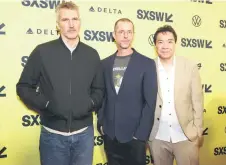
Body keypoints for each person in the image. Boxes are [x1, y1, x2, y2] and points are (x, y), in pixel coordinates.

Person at [16, 1, 104, 165]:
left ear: (80, 22)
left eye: (75, 19)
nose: (71, 25)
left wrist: (89, 103)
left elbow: (99, 89)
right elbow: (23, 87)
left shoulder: (92, 54)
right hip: (52, 137)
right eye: (65, 20)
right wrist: (47, 103)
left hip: (84, 136)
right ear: (58, 25)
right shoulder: (42, 52)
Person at [97, 18, 157, 165]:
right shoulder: (104, 64)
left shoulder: (146, 63)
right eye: (121, 32)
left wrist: (140, 135)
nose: (125, 36)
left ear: (133, 35)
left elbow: (150, 102)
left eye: (129, 32)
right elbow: (102, 97)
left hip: (135, 138)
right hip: (110, 136)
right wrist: (101, 124)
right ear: (114, 35)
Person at [149, 25, 204, 165]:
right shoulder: (148, 67)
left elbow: (197, 101)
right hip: (157, 137)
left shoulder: (189, 66)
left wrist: (197, 131)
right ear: (155, 45)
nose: (165, 46)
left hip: (186, 137)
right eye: (161, 42)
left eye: (169, 41)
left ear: (175, 43)